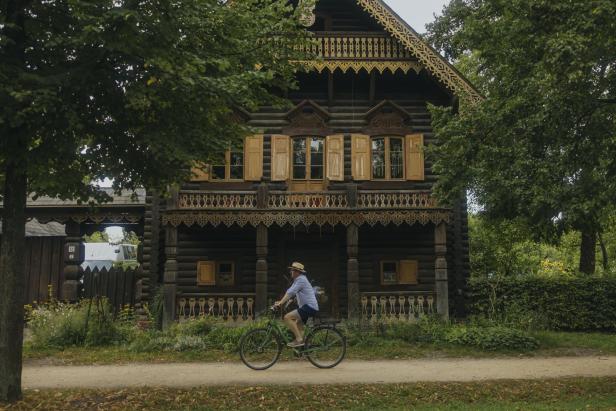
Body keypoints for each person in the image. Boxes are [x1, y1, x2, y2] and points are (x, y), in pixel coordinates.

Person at [274, 262, 319, 347]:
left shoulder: (301, 280)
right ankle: (302, 348)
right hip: (308, 307)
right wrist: (286, 301)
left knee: (287, 317)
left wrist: (280, 302)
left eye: (292, 270)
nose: (291, 272)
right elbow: (295, 294)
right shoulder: (299, 280)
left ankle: (299, 340)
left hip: (309, 307)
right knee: (298, 324)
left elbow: (290, 292)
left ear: (297, 272)